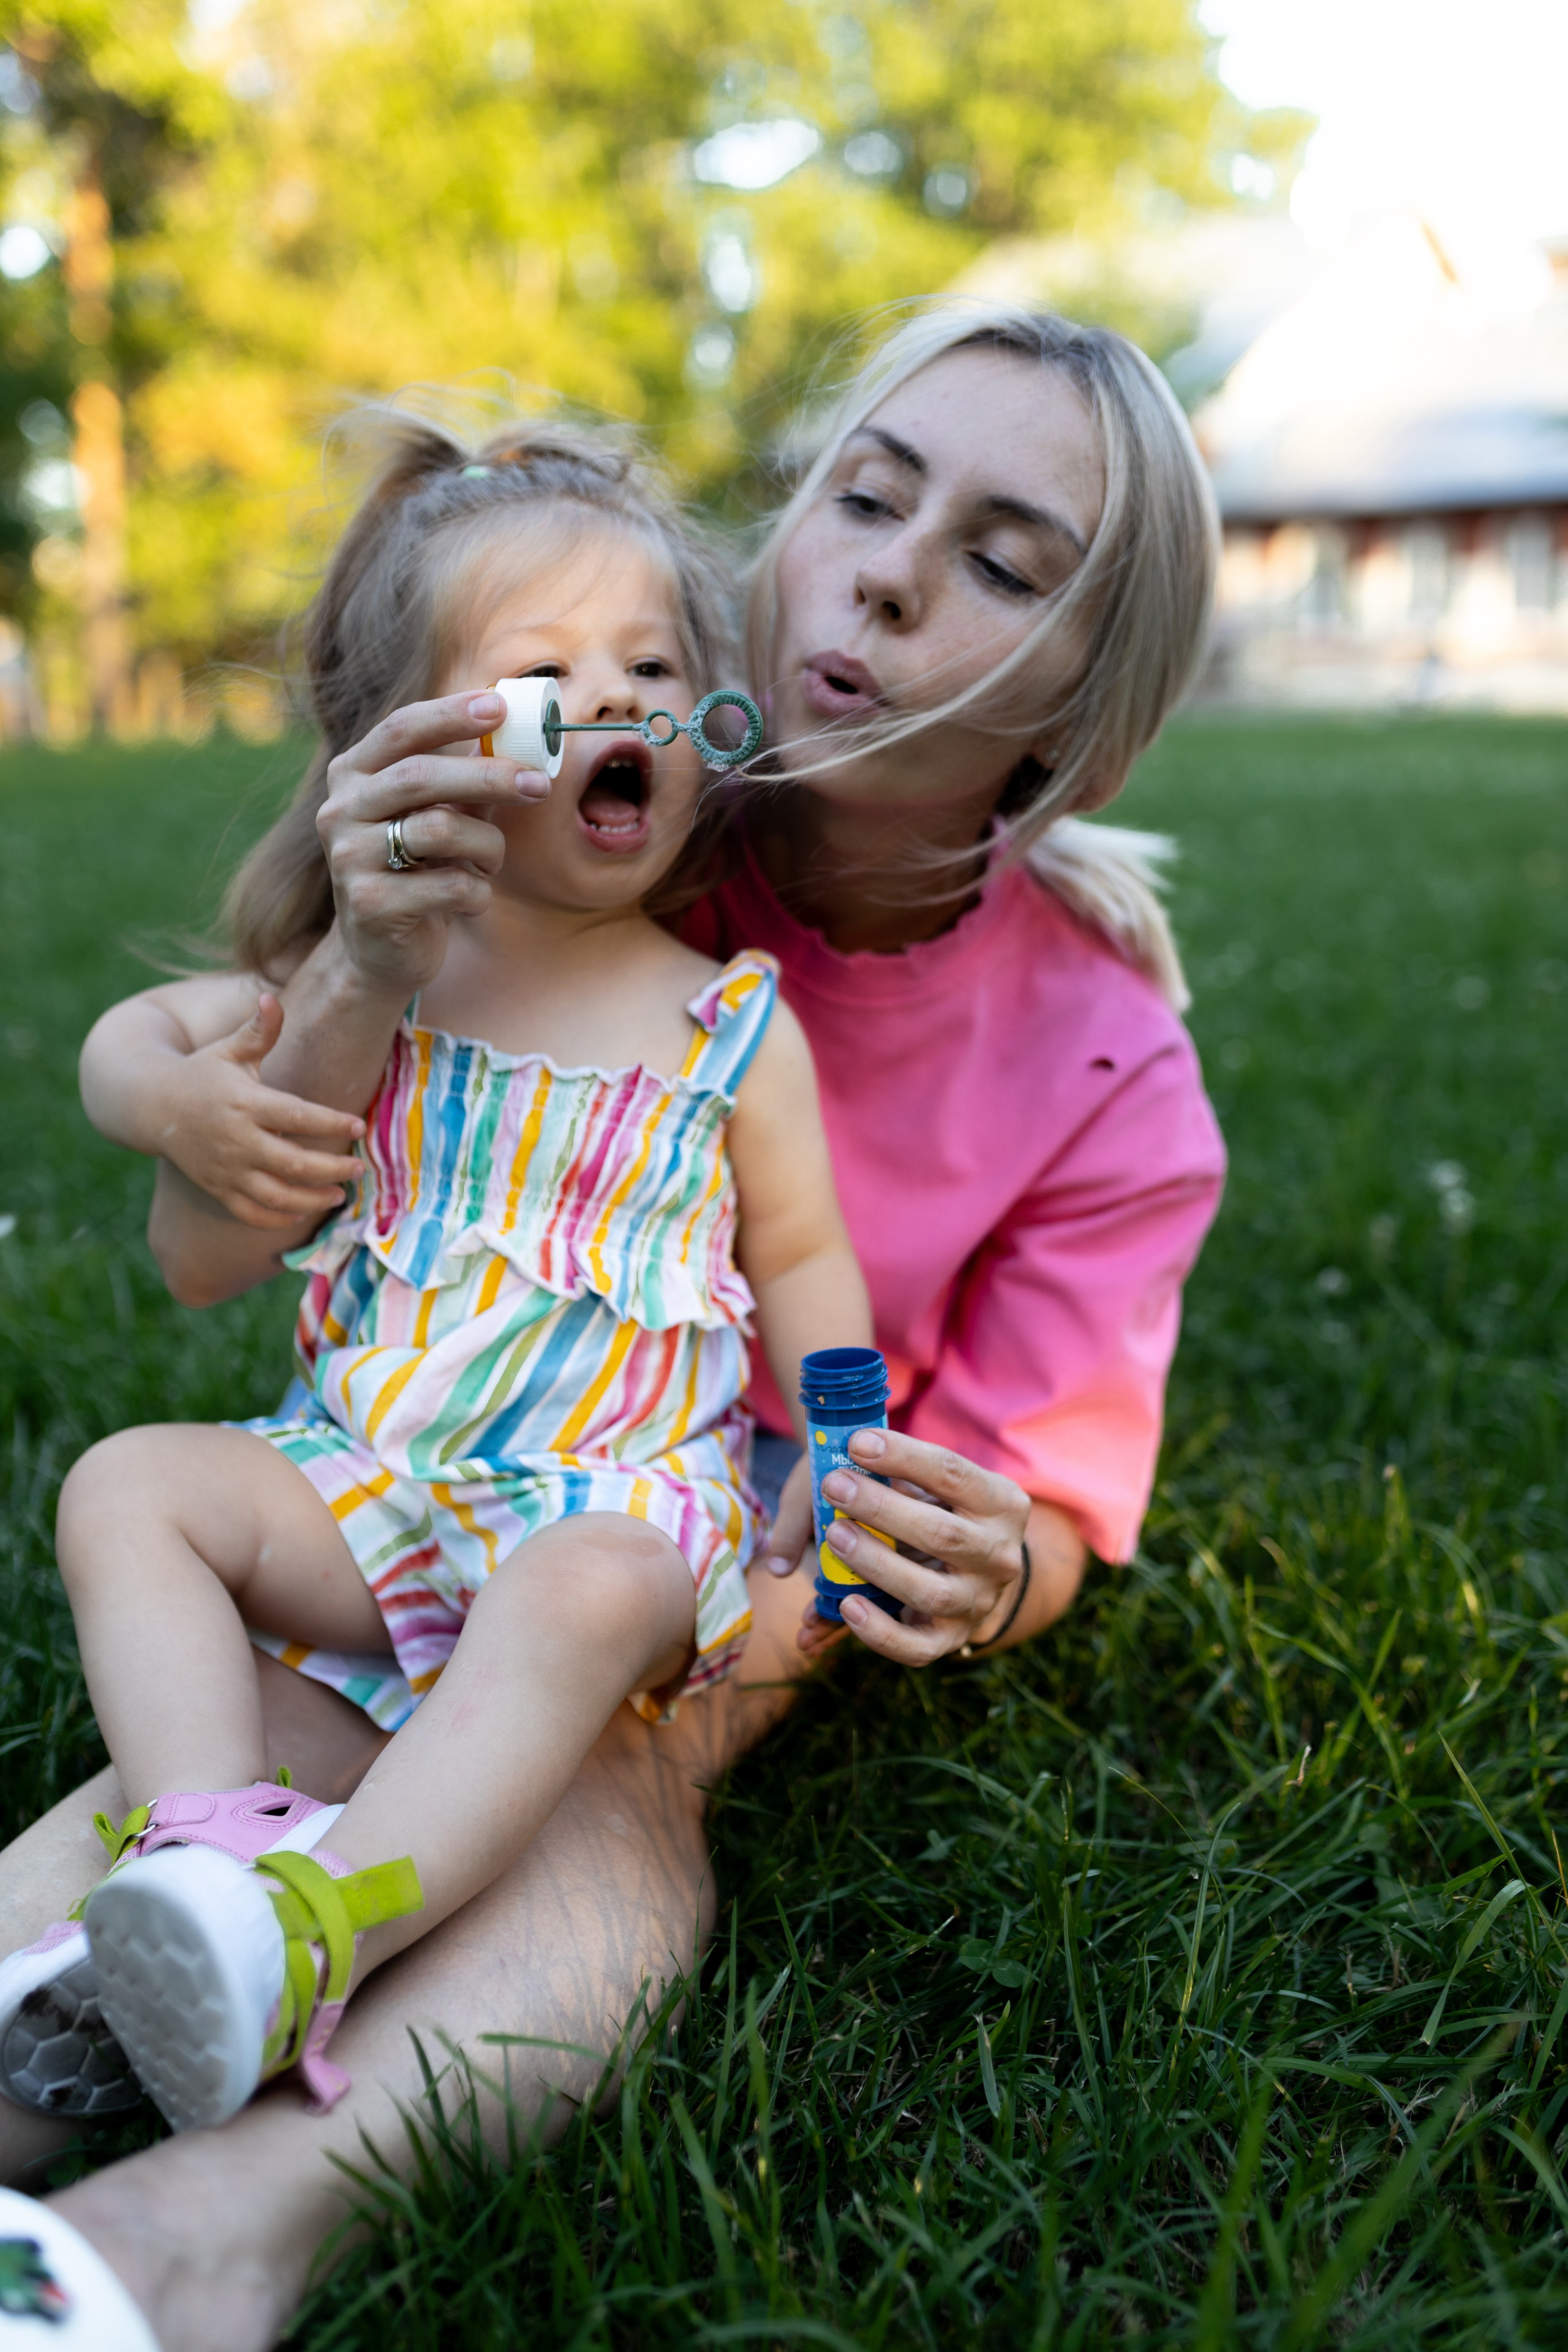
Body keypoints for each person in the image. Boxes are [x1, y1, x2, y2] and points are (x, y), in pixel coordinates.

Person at [0, 304, 1226, 2352]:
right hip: (409, 1479)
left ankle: (179, 2250)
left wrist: (990, 1555)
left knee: (601, 1789)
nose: (891, 571)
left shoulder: (1105, 1065)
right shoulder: (564, 815)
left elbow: (1041, 1494)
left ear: (1082, 708)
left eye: (1005, 563)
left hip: (723, 1554)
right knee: (239, 1753)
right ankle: (173, 1936)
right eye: (866, 493)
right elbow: (212, 1218)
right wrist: (310, 982)